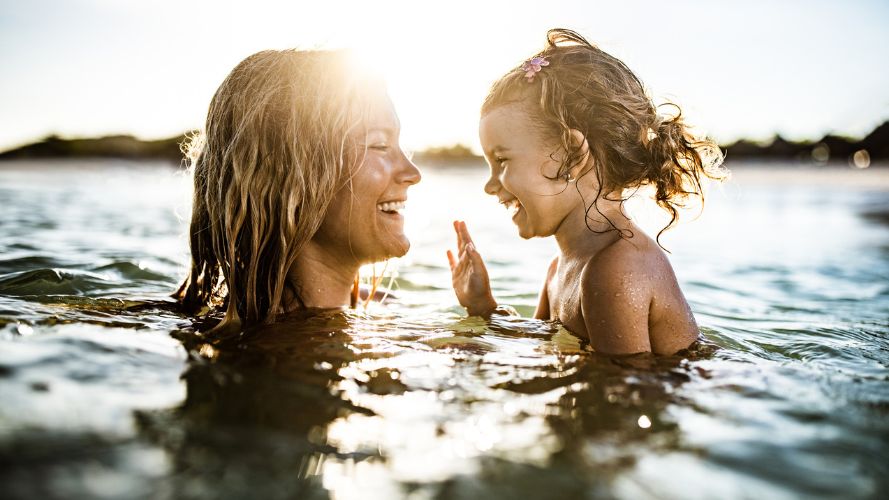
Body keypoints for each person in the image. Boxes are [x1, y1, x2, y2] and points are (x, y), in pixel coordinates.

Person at [448, 29, 725, 355]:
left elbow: (624, 396)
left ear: (571, 154)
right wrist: (483, 307)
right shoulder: (561, 268)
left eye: (502, 160)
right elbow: (540, 347)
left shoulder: (615, 270)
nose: (490, 184)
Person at [175, 49, 421, 333]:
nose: (413, 174)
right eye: (379, 145)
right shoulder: (268, 342)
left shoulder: (385, 307)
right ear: (293, 176)